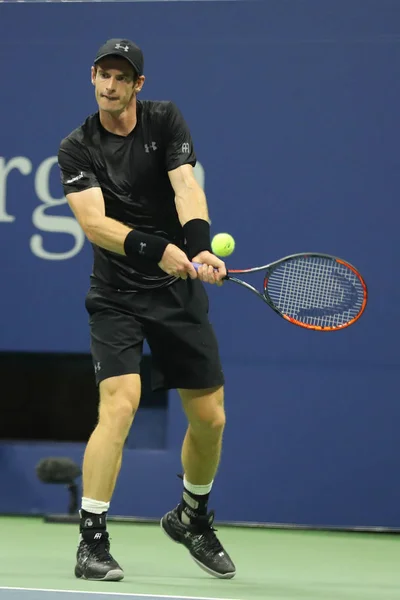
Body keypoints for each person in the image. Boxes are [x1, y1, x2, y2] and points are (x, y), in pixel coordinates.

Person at [57, 38, 236, 582]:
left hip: (176, 293)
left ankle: (192, 516)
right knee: (120, 403)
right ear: (93, 77)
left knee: (210, 419)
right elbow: (94, 225)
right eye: (102, 75)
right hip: (116, 295)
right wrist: (158, 248)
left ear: (138, 85)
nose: (110, 85)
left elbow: (186, 186)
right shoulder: (76, 147)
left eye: (121, 77)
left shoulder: (165, 121)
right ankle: (92, 540)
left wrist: (198, 242)